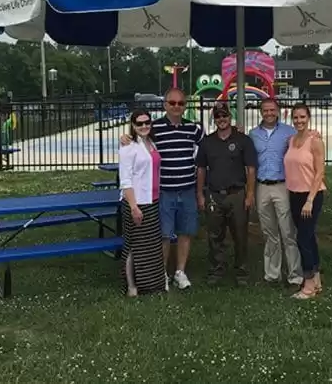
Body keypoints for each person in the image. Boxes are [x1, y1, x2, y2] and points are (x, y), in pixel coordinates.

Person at [120, 87, 204, 290]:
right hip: (164, 191)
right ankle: (162, 274)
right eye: (172, 103)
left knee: (185, 233)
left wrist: (236, 131)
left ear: (185, 106)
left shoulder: (194, 129)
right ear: (165, 105)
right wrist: (124, 138)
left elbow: (210, 147)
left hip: (187, 189)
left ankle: (180, 272)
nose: (176, 107)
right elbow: (137, 139)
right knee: (164, 235)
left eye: (180, 103)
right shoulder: (154, 129)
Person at [196, 102, 258, 286]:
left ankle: (242, 272)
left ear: (230, 117)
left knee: (240, 235)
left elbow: (251, 169)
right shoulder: (207, 142)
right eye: (218, 116)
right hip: (214, 194)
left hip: (236, 194)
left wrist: (250, 194)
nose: (221, 119)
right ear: (214, 120)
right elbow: (201, 169)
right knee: (215, 236)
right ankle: (217, 270)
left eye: (224, 116)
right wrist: (200, 194)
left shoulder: (243, 140)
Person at [248, 98, 303, 288]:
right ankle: (272, 274)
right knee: (269, 232)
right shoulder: (253, 134)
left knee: (288, 232)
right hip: (262, 186)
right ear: (260, 112)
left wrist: (314, 135)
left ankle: (295, 275)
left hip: (282, 185)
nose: (269, 113)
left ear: (278, 111)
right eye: (265, 110)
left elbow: (303, 142)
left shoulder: (289, 132)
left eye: (272, 110)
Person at [117, 108, 167, 297]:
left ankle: (149, 283)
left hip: (152, 201)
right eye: (139, 123)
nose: (144, 126)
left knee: (149, 246)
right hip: (136, 203)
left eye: (147, 122)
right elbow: (125, 181)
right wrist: (133, 207)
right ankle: (131, 285)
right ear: (133, 125)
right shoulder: (128, 148)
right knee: (133, 245)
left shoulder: (151, 143)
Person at [283, 102, 327, 300]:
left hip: (311, 196)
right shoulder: (291, 140)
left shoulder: (315, 141)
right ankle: (316, 279)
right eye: (296, 117)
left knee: (303, 239)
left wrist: (310, 200)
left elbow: (319, 172)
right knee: (308, 238)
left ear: (308, 118)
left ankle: (308, 285)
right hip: (294, 194)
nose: (299, 120)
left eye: (302, 117)